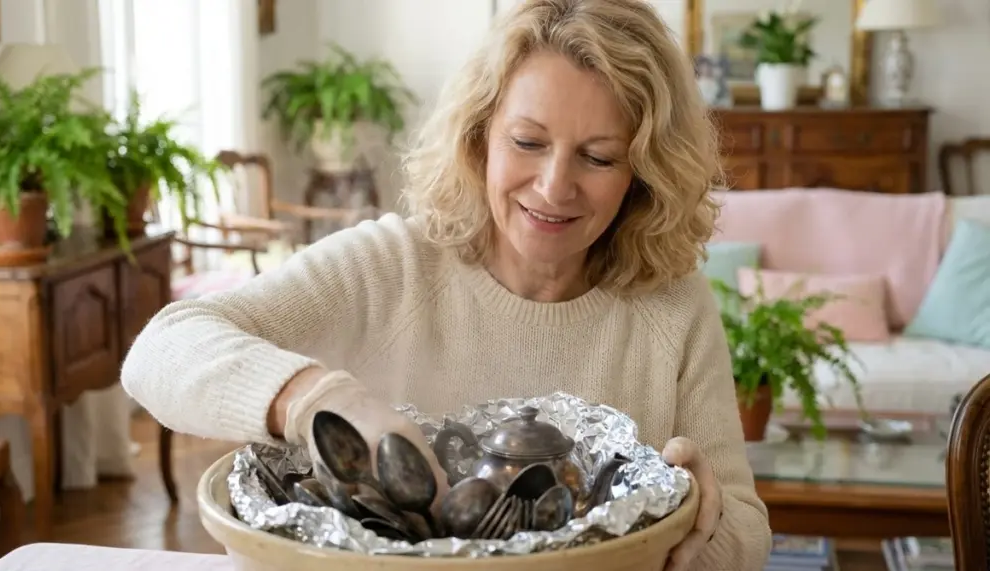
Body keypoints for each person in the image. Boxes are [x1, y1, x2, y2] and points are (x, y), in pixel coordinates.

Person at [121, 0, 772, 568]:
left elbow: (747, 530)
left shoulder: (673, 306)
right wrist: (313, 398)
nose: (553, 187)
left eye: (598, 157)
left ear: (644, 171)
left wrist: (693, 518)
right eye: (527, 141)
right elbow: (161, 348)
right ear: (479, 135)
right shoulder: (390, 265)